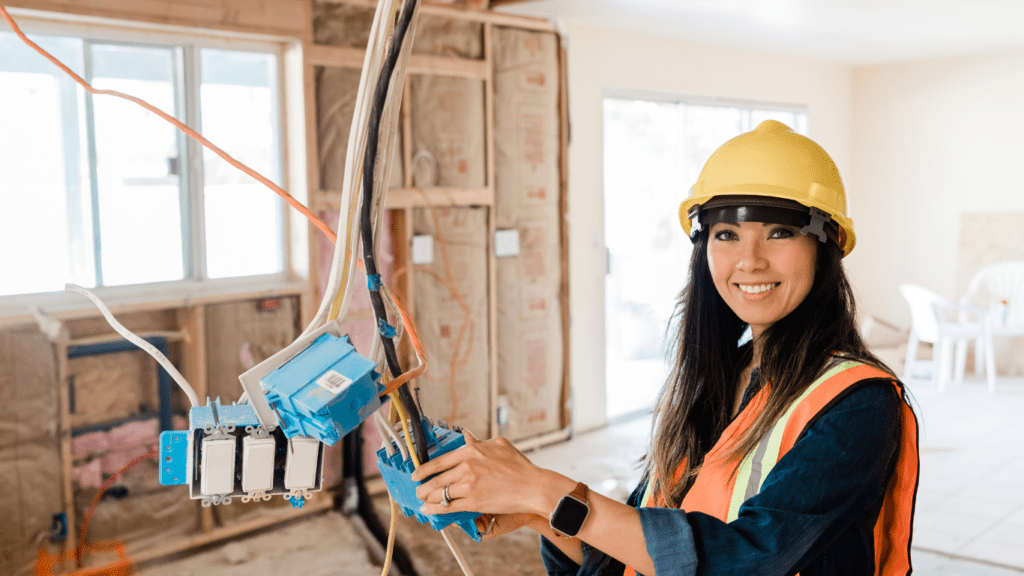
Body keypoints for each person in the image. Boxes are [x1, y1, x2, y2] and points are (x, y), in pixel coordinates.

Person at [411, 120, 919, 576]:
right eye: (726, 234)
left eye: (780, 232)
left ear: (825, 245)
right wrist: (543, 515)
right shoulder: (723, 379)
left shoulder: (857, 405)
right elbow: (629, 550)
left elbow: (740, 562)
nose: (749, 260)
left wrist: (544, 489)